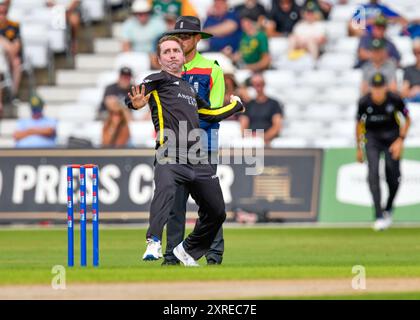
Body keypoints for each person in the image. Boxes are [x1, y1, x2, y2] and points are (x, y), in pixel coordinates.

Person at [125, 35, 244, 266]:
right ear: (159, 59)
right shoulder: (156, 79)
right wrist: (136, 103)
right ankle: (154, 241)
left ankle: (187, 250)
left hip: (197, 156)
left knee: (217, 211)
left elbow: (208, 115)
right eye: (167, 51)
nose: (172, 55)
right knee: (166, 190)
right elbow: (135, 97)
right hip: (169, 152)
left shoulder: (189, 88)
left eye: (176, 51)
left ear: (182, 57)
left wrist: (235, 107)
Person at [159, 15, 227, 265]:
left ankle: (213, 255)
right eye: (178, 37)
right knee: (174, 206)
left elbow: (215, 111)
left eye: (186, 36)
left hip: (203, 146)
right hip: (171, 147)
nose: (182, 41)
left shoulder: (212, 68)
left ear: (197, 39)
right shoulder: (165, 72)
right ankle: (171, 256)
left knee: (211, 207)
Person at [356, 72, 410, 231]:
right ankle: (379, 215)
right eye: (375, 88)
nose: (378, 91)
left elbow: (407, 118)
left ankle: (389, 208)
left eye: (380, 88)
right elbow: (359, 124)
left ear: (385, 87)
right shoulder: (364, 102)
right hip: (372, 139)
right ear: (370, 88)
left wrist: (400, 140)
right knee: (372, 173)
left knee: (393, 175)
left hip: (392, 139)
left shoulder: (395, 99)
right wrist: (359, 147)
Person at [239, 73, 283, 145]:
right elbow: (243, 125)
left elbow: (277, 126)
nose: (258, 86)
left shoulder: (274, 104)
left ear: (264, 84)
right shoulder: (248, 105)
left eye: (260, 83)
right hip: (251, 141)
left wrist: (263, 138)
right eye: (255, 84)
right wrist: (253, 139)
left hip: (269, 141)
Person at [0, 1, 22, 97]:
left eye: (4, 13)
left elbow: (16, 46)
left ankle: (13, 94)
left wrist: (7, 45)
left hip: (10, 56)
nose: (2, 16)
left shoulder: (14, 25)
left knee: (16, 62)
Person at [402, 39, 420, 103]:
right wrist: (412, 92)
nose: (418, 55)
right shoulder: (408, 69)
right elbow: (403, 92)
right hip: (413, 101)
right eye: (416, 52)